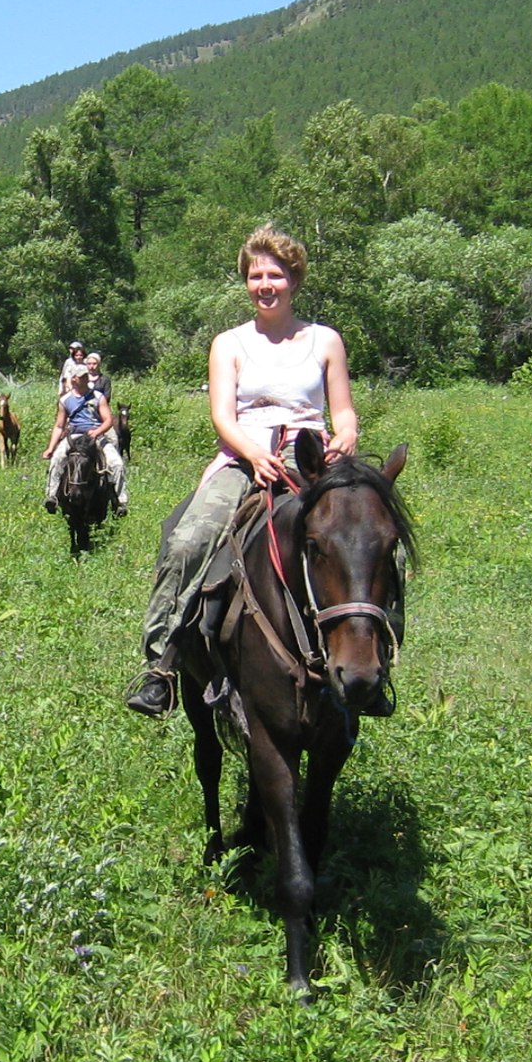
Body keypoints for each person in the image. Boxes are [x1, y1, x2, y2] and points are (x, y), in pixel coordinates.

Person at [125, 227, 360, 717]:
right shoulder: (229, 343)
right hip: (243, 457)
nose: (265, 284)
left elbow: (345, 412)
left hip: (310, 457)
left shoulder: (325, 340)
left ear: (294, 279)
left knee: (366, 539)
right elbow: (222, 418)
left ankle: (372, 659)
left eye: (275, 274)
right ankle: (161, 663)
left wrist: (347, 438)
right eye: (256, 276)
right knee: (189, 541)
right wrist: (253, 455)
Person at [41, 365, 127, 515]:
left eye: (86, 375)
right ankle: (52, 496)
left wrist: (97, 431)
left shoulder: (98, 397)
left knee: (117, 463)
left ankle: (120, 501)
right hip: (74, 435)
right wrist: (50, 447)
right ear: (74, 378)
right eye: (81, 376)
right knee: (57, 459)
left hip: (96, 434)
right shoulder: (65, 400)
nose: (85, 378)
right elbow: (59, 426)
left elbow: (108, 420)